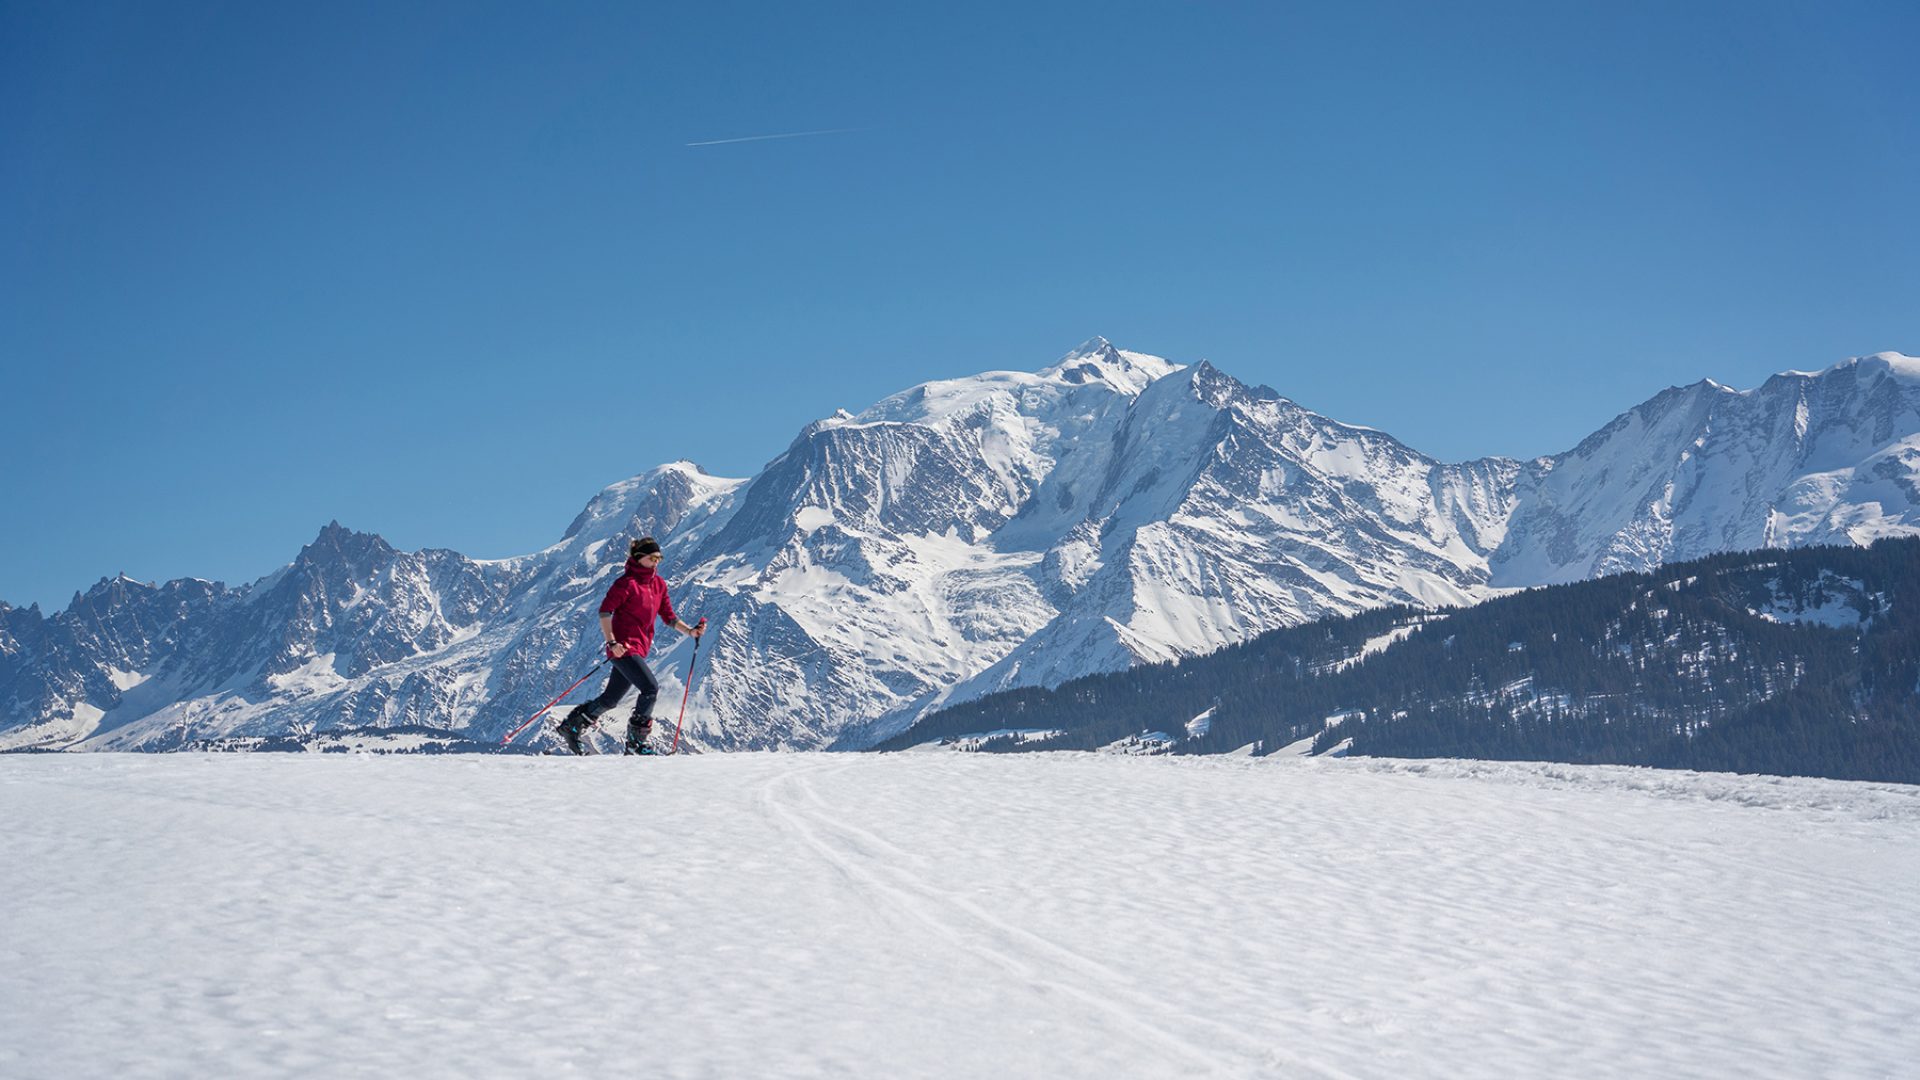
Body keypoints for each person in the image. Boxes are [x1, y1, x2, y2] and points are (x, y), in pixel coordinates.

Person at [557, 536, 703, 755]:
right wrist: (612, 642)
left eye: (659, 558)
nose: (656, 562)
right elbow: (605, 612)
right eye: (652, 558)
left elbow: (669, 617)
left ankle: (572, 727)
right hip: (623, 649)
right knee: (650, 688)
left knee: (610, 699)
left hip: (638, 649)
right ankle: (636, 743)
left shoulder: (658, 584)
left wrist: (690, 631)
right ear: (638, 558)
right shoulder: (626, 584)